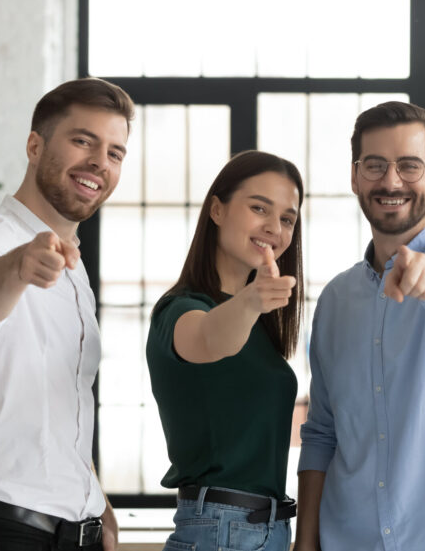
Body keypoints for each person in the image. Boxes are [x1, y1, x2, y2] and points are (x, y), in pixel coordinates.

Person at [295, 101, 425, 551]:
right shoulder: (336, 299)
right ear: (354, 176)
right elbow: (321, 431)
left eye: (409, 166)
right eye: (375, 166)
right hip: (346, 540)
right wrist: (306, 541)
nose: (391, 181)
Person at [0, 78, 134, 551]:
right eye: (83, 140)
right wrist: (18, 267)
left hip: (74, 533)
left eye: (115, 152)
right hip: (2, 534)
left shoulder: (74, 269)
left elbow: (54, 407)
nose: (99, 162)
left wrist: (94, 498)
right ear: (34, 145)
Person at [146, 150, 305, 551]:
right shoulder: (181, 309)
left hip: (265, 529)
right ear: (217, 209)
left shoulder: (261, 328)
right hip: (220, 531)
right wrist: (252, 301)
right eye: (259, 208)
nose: (274, 227)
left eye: (287, 218)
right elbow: (208, 340)